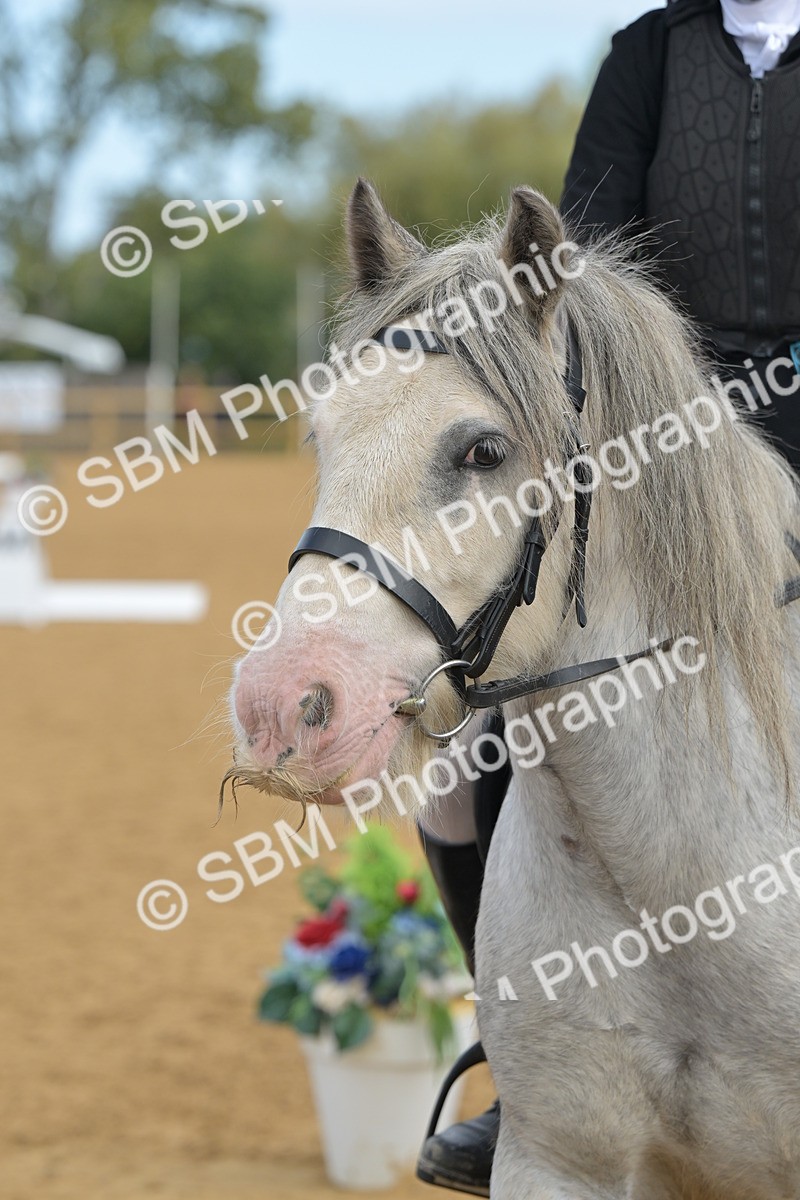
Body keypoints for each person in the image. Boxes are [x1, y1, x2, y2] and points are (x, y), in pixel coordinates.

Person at [416, 1, 800, 1195]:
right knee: (453, 770)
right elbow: (577, 267)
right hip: (668, 452)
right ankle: (517, 1057)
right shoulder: (645, 53)